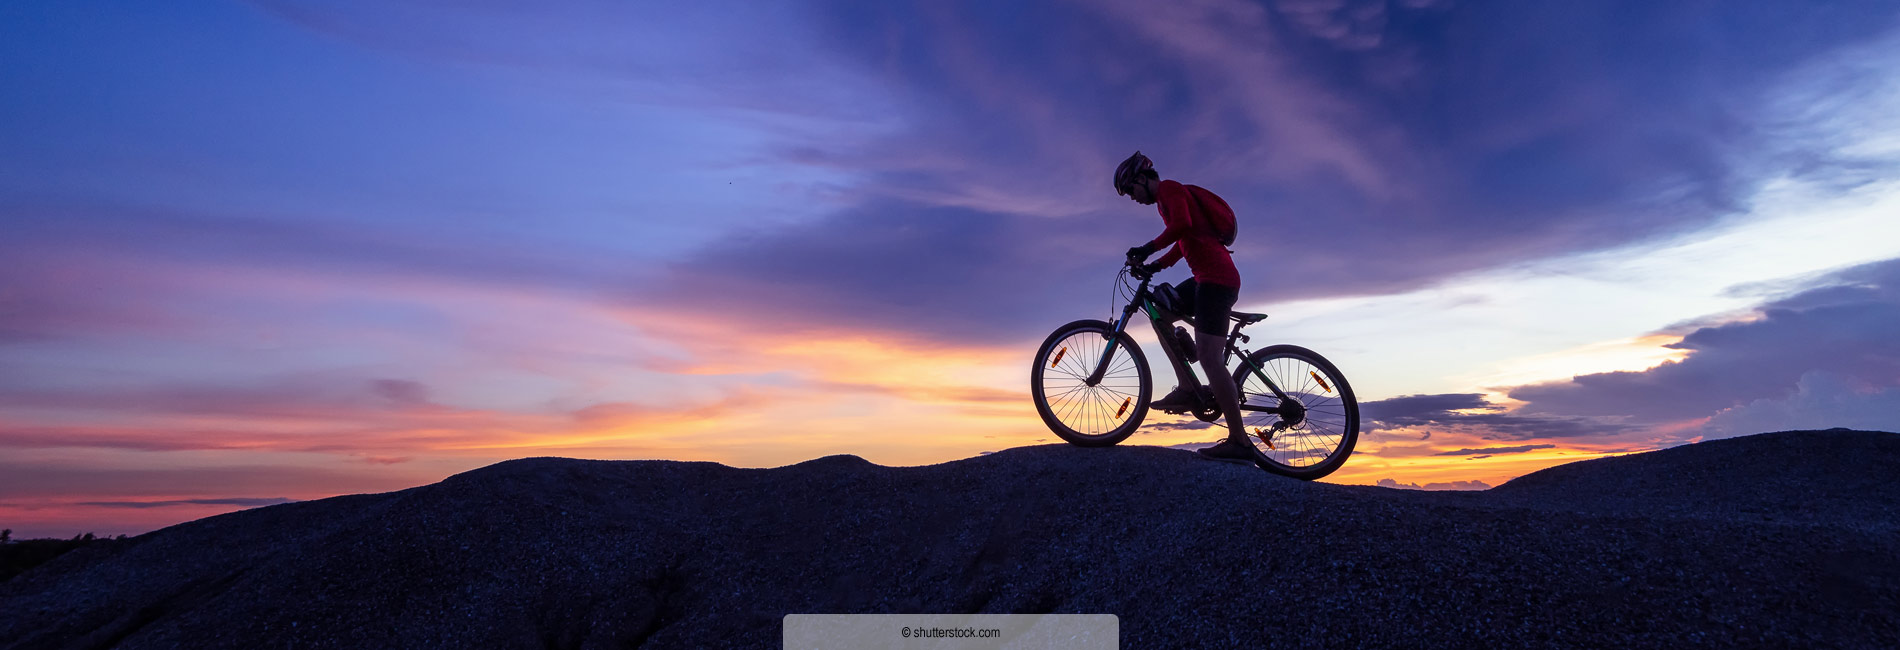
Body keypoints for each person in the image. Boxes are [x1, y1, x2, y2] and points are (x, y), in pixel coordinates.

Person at [1114, 151, 1256, 465]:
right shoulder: (1168, 200)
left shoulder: (1169, 190)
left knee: (1209, 358)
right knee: (1160, 314)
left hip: (1217, 282)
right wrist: (1155, 266)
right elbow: (1183, 240)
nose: (1133, 198)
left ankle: (1240, 442)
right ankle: (1187, 387)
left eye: (1132, 190)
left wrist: (1146, 248)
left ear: (1142, 179)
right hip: (1205, 279)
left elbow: (1180, 226)